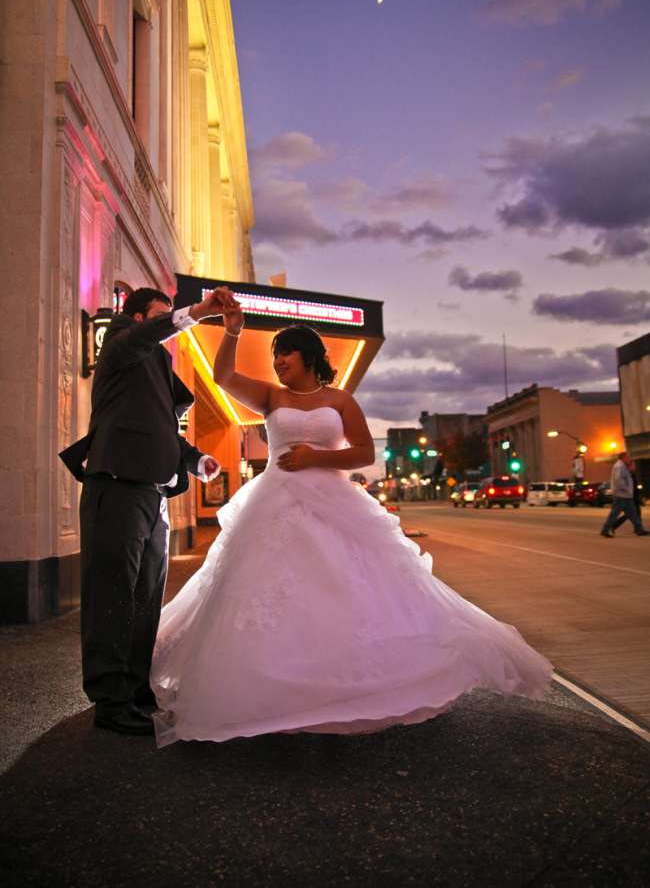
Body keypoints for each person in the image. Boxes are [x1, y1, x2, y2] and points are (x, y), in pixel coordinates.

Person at [150, 296, 553, 746]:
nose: (279, 361)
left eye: (285, 352)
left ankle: (358, 681)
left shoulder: (340, 401)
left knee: (347, 585)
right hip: (275, 505)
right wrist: (233, 329)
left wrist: (316, 456)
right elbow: (222, 376)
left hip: (334, 502)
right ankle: (271, 687)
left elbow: (365, 453)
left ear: (309, 357)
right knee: (267, 589)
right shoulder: (270, 396)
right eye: (274, 355)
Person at [60, 285, 236, 735]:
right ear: (139, 319)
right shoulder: (123, 346)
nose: (167, 325)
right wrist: (195, 312)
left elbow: (163, 429)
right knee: (113, 595)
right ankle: (110, 699)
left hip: (152, 495)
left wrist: (196, 460)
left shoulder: (157, 366)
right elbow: (143, 338)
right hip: (116, 487)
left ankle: (135, 689)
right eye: (161, 316)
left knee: (143, 599)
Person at [600, 452, 648, 538]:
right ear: (623, 458)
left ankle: (639, 530)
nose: (629, 459)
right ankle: (605, 529)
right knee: (614, 514)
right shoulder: (619, 466)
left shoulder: (623, 466)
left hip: (626, 495)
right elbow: (618, 480)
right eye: (628, 457)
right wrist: (626, 489)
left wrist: (628, 491)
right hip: (621, 495)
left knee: (633, 514)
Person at [609, 458, 646, 535]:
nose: (634, 466)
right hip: (630, 498)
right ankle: (612, 526)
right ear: (630, 466)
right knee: (630, 515)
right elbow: (629, 487)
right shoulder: (629, 474)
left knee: (635, 514)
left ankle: (638, 529)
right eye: (633, 465)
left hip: (632, 498)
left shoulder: (632, 474)